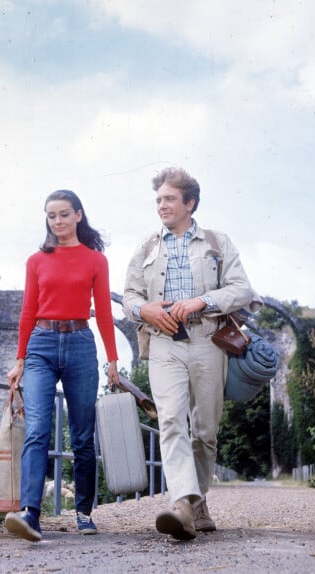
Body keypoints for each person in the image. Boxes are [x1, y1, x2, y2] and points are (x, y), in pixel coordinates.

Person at [123, 167, 261, 540]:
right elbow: (129, 297)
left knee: (205, 431)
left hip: (208, 340)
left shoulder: (218, 242)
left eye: (169, 199)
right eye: (158, 200)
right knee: (170, 420)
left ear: (190, 203)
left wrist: (204, 300)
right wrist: (143, 310)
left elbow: (242, 288)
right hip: (164, 342)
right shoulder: (147, 246)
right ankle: (182, 503)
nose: (161, 206)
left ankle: (198, 504)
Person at [5, 189, 119, 542]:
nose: (58, 222)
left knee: (83, 434)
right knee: (38, 428)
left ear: (79, 216)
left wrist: (113, 360)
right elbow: (28, 311)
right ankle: (31, 514)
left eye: (64, 214)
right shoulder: (36, 261)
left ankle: (83, 512)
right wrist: (19, 358)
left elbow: (103, 313)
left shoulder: (96, 260)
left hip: (81, 346)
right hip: (40, 345)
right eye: (52, 216)